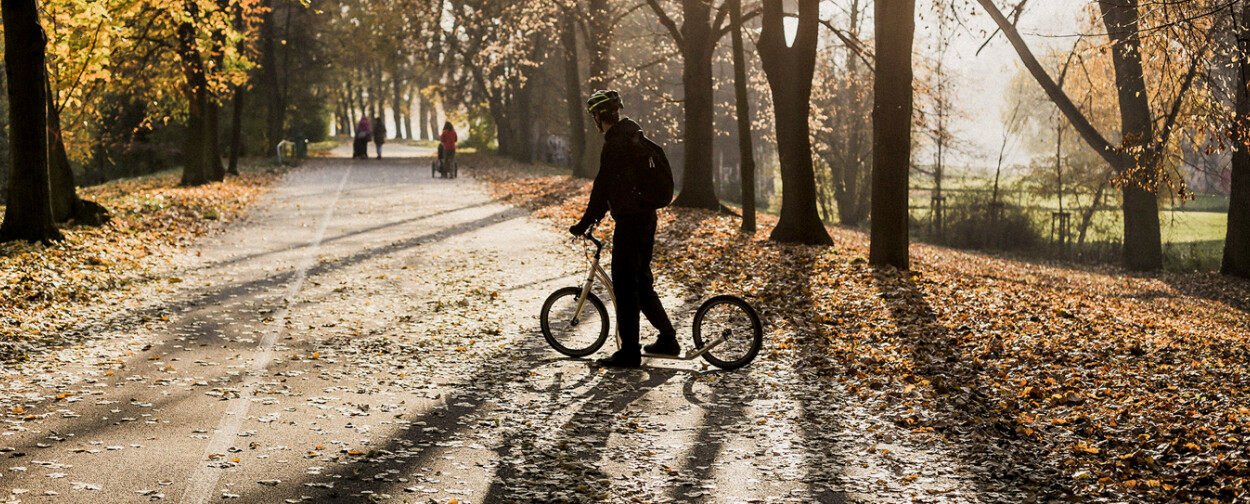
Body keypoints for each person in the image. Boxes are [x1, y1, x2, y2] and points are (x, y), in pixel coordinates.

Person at [568, 90, 677, 368]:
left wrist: (584, 223)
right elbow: (615, 187)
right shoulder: (633, 136)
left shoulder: (616, 144)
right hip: (646, 217)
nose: (594, 120)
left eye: (594, 115)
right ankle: (668, 339)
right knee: (641, 282)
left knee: (626, 286)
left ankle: (629, 352)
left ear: (599, 116)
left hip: (631, 222)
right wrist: (600, 215)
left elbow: (602, 187)